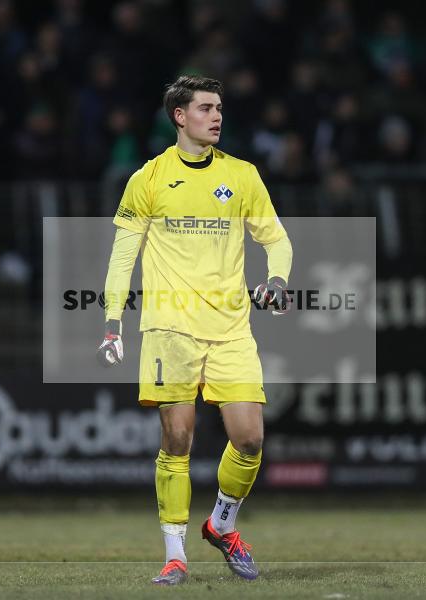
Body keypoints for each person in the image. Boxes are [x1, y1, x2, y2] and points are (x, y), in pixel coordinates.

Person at [97, 75, 293, 585]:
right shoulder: (149, 178)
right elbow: (123, 257)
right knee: (177, 439)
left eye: (220, 108)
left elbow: (278, 240)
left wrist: (277, 278)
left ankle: (222, 524)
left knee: (249, 439)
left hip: (231, 327)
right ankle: (175, 555)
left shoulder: (243, 176)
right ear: (180, 116)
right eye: (206, 108)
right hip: (169, 329)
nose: (217, 116)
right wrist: (113, 321)